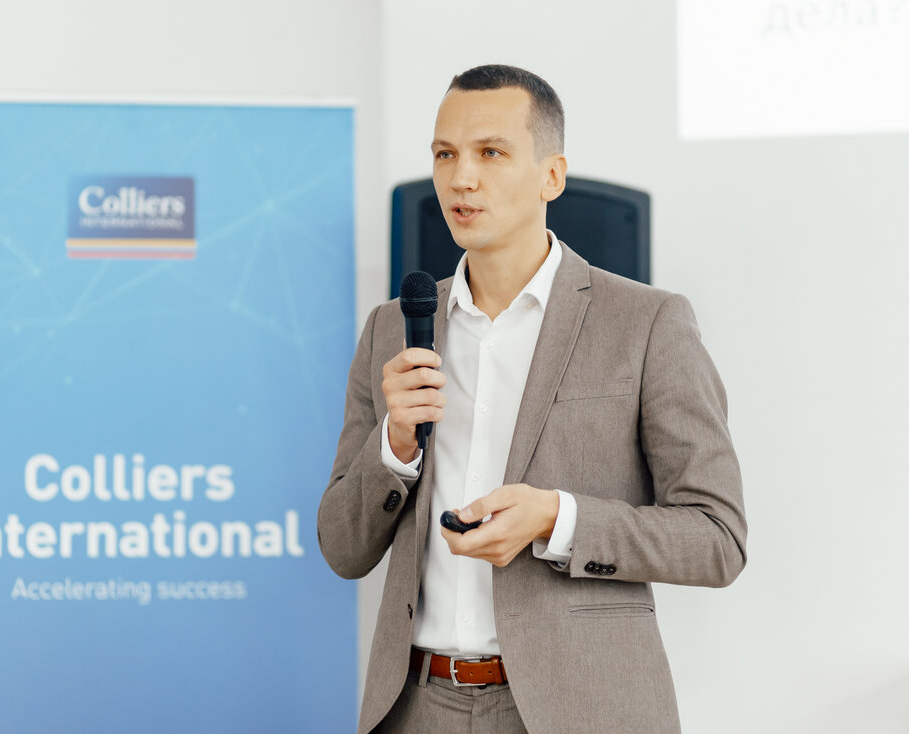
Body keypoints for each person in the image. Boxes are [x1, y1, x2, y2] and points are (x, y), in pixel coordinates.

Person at [317, 64, 746, 734]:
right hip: (417, 707)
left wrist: (557, 519)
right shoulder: (392, 328)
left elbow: (717, 539)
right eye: (445, 154)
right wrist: (394, 447)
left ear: (552, 175)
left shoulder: (646, 323)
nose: (462, 178)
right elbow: (343, 549)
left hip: (581, 710)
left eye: (491, 153)